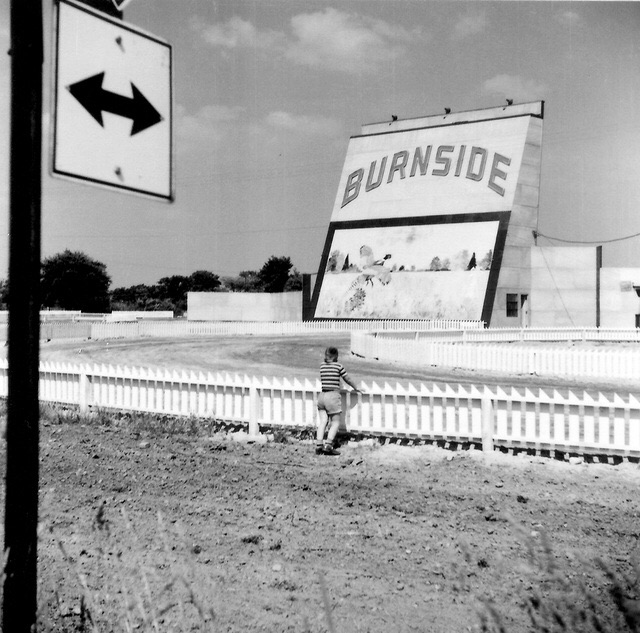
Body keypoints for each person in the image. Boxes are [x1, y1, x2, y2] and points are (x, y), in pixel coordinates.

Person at [316, 346, 361, 455]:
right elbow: (347, 379)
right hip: (332, 396)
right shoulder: (338, 366)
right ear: (336, 356)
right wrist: (356, 387)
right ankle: (328, 445)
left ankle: (319, 445)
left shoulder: (322, 366)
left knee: (323, 422)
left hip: (322, 396)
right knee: (335, 422)